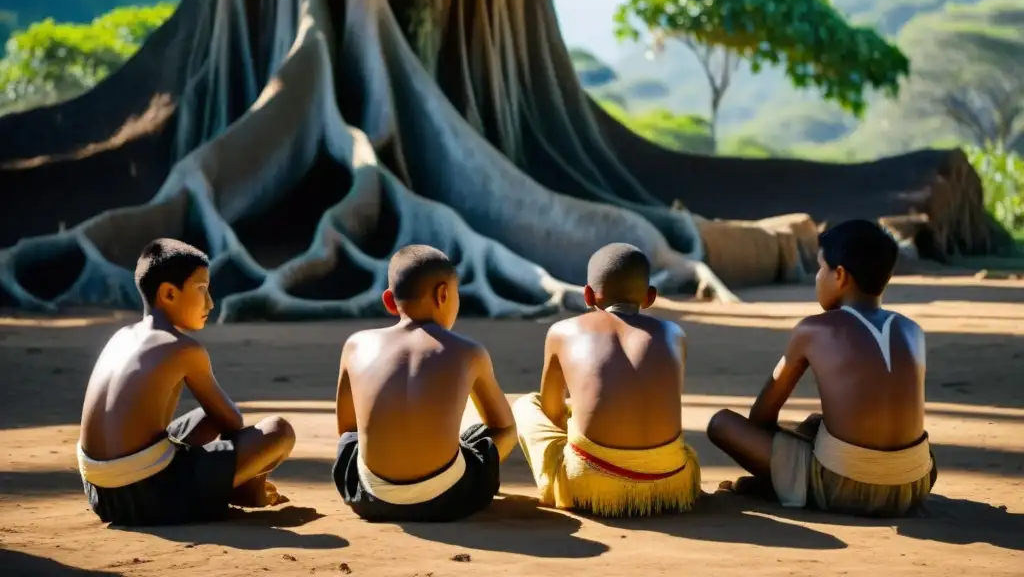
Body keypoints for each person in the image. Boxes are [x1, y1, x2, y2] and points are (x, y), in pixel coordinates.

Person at [707, 219, 937, 517]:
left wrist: (782, 457)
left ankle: (785, 486)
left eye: (820, 268)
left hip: (842, 488)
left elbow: (761, 417)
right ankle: (796, 476)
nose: (817, 277)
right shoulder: (912, 329)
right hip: (914, 484)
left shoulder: (813, 329)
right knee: (817, 424)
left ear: (840, 276)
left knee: (722, 424)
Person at [77, 239, 296, 526]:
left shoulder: (121, 336)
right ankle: (242, 488)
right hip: (146, 495)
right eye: (201, 289)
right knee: (278, 431)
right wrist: (247, 467)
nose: (210, 303)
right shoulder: (183, 348)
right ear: (168, 293)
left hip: (100, 493)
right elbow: (232, 421)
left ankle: (225, 485)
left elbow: (215, 419)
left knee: (208, 416)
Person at [513, 243, 701, 517]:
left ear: (588, 295)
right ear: (650, 297)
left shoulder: (561, 331)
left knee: (528, 404)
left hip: (588, 485)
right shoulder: (674, 333)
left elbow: (552, 412)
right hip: (671, 484)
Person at [332, 245, 516, 522]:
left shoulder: (356, 345)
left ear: (389, 301)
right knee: (485, 434)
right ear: (443, 294)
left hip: (369, 498)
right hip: (449, 500)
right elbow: (503, 427)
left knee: (353, 441)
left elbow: (347, 431)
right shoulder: (469, 352)